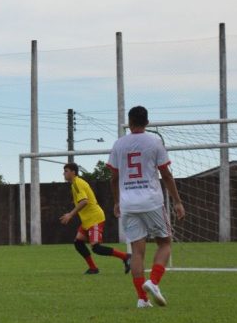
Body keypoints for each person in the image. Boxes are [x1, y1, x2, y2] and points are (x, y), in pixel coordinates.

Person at [107, 105, 186, 308]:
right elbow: (166, 174)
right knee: (165, 243)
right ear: (147, 123)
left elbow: (114, 178)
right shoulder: (154, 142)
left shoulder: (119, 144)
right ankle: (154, 281)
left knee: (137, 250)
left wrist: (117, 202)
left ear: (129, 122)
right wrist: (177, 201)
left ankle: (142, 299)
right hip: (151, 201)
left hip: (128, 203)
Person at [59, 162, 130, 275]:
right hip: (87, 219)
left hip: (95, 218)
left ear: (73, 172)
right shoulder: (74, 184)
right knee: (78, 242)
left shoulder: (77, 183)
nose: (64, 173)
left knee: (96, 247)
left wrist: (70, 214)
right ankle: (93, 268)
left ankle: (126, 257)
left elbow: (84, 201)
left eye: (66, 171)